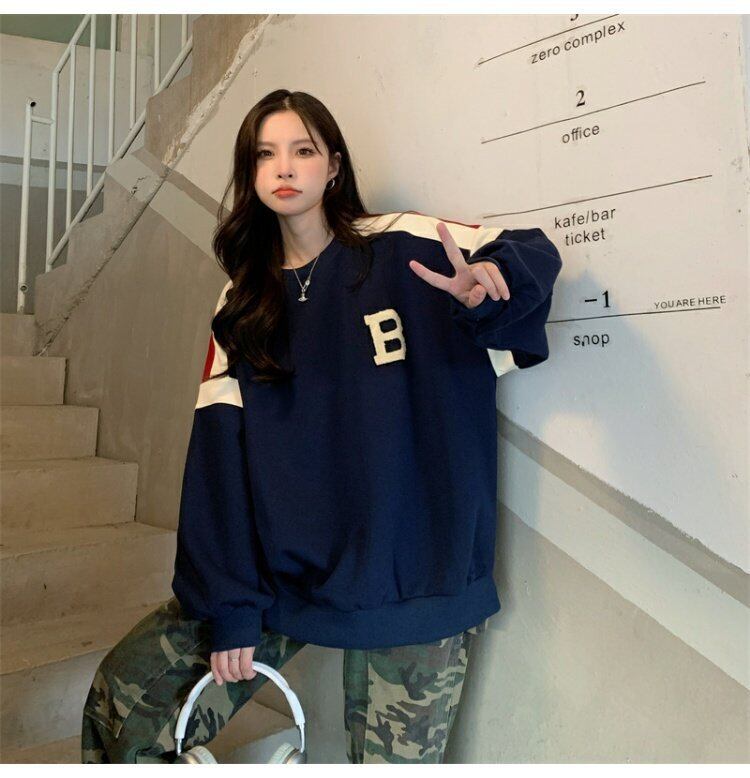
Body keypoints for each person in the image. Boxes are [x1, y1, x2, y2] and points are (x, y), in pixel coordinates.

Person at [81, 89, 562, 764]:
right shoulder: (243, 302)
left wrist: (491, 284)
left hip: (415, 579)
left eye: (302, 150)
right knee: (121, 703)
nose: (285, 167)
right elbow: (220, 461)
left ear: (333, 165)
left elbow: (527, 254)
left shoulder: (406, 248)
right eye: (265, 154)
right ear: (250, 174)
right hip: (285, 579)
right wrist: (232, 604)